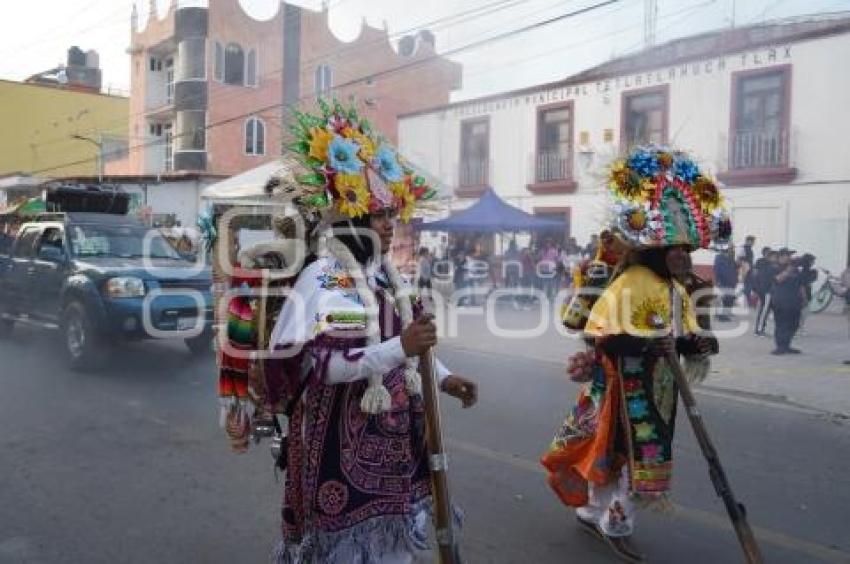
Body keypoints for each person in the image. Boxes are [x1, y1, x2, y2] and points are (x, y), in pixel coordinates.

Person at [263, 102, 477, 563]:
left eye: (391, 214)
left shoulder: (385, 275)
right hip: (338, 439)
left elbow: (410, 338)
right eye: (379, 214)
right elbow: (328, 365)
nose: (389, 223)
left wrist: (443, 376)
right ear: (349, 217)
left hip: (395, 434)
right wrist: (402, 346)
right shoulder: (326, 276)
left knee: (393, 544)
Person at [541, 145, 726, 563]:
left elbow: (678, 336)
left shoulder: (676, 286)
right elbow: (601, 337)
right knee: (624, 458)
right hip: (622, 386)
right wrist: (649, 345)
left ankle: (591, 511)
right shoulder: (633, 281)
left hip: (658, 385)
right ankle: (616, 524)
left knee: (617, 456)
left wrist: (696, 343)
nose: (682, 255)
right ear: (655, 249)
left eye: (686, 248)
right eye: (674, 248)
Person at [770, 248, 805, 355]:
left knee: (794, 324)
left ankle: (787, 345)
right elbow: (777, 279)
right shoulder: (774, 267)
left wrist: (804, 298)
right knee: (781, 324)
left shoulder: (795, 269)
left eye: (791, 255)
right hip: (781, 301)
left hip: (795, 301)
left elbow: (800, 283)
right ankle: (780, 346)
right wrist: (788, 270)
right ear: (781, 257)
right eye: (788, 255)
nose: (790, 257)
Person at [752, 247, 777, 336]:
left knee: (764, 310)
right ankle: (759, 330)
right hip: (765, 291)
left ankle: (760, 329)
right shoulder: (762, 263)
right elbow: (756, 276)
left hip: (767, 291)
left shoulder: (772, 266)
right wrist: (754, 289)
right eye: (774, 256)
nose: (776, 258)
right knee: (764, 310)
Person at [713, 245, 738, 322]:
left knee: (727, 299)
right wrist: (718, 281)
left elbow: (734, 269)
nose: (733, 250)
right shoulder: (719, 258)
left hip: (730, 282)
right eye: (731, 249)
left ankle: (722, 314)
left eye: (733, 249)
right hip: (723, 282)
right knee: (722, 299)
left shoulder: (730, 258)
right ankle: (721, 316)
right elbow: (717, 270)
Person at [737, 235, 756, 305]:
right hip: (745, 270)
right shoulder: (743, 248)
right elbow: (739, 260)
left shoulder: (750, 249)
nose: (753, 243)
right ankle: (735, 297)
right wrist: (743, 271)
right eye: (752, 242)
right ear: (748, 241)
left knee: (749, 287)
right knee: (748, 287)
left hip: (749, 270)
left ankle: (747, 301)